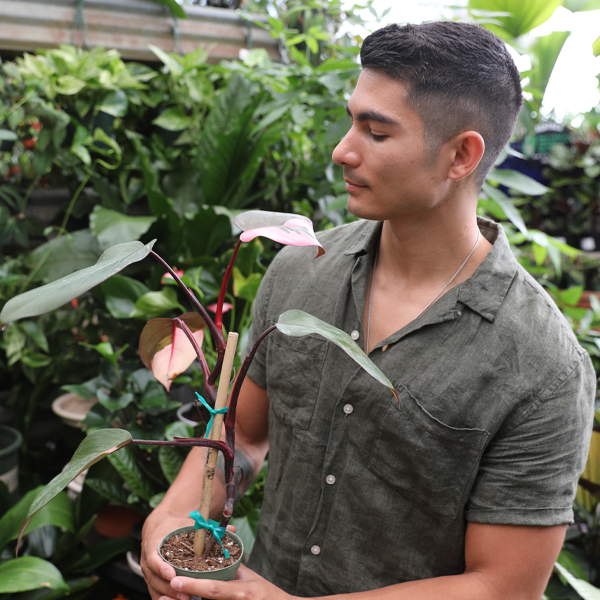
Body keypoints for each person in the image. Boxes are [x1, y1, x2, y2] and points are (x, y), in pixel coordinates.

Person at [141, 21, 596, 600]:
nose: (342, 150)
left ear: (461, 155)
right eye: (352, 118)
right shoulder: (301, 270)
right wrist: (173, 517)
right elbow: (247, 437)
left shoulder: (541, 365)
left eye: (376, 133)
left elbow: (503, 586)